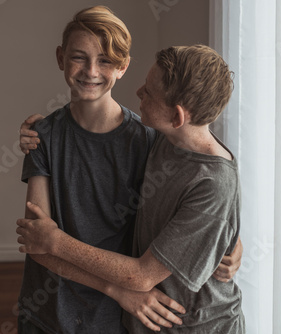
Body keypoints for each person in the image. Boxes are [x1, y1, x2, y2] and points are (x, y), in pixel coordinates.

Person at [17, 6, 242, 334]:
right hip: (50, 313)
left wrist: (232, 242)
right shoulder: (43, 136)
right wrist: (119, 290)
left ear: (122, 67)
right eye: (79, 57)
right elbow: (38, 242)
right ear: (60, 57)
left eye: (105, 60)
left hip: (123, 316)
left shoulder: (151, 137)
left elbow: (208, 189)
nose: (91, 70)